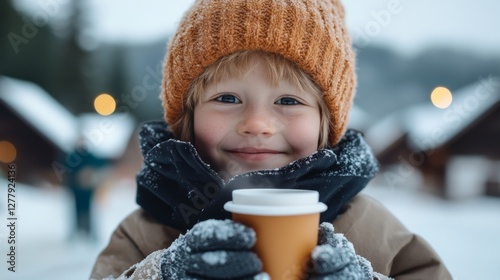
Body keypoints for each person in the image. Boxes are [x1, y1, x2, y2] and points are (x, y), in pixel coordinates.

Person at [91, 0, 452, 279]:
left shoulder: (372, 229)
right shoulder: (147, 231)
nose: (257, 124)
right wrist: (162, 274)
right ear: (189, 117)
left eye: (289, 101)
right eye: (227, 98)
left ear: (326, 125)